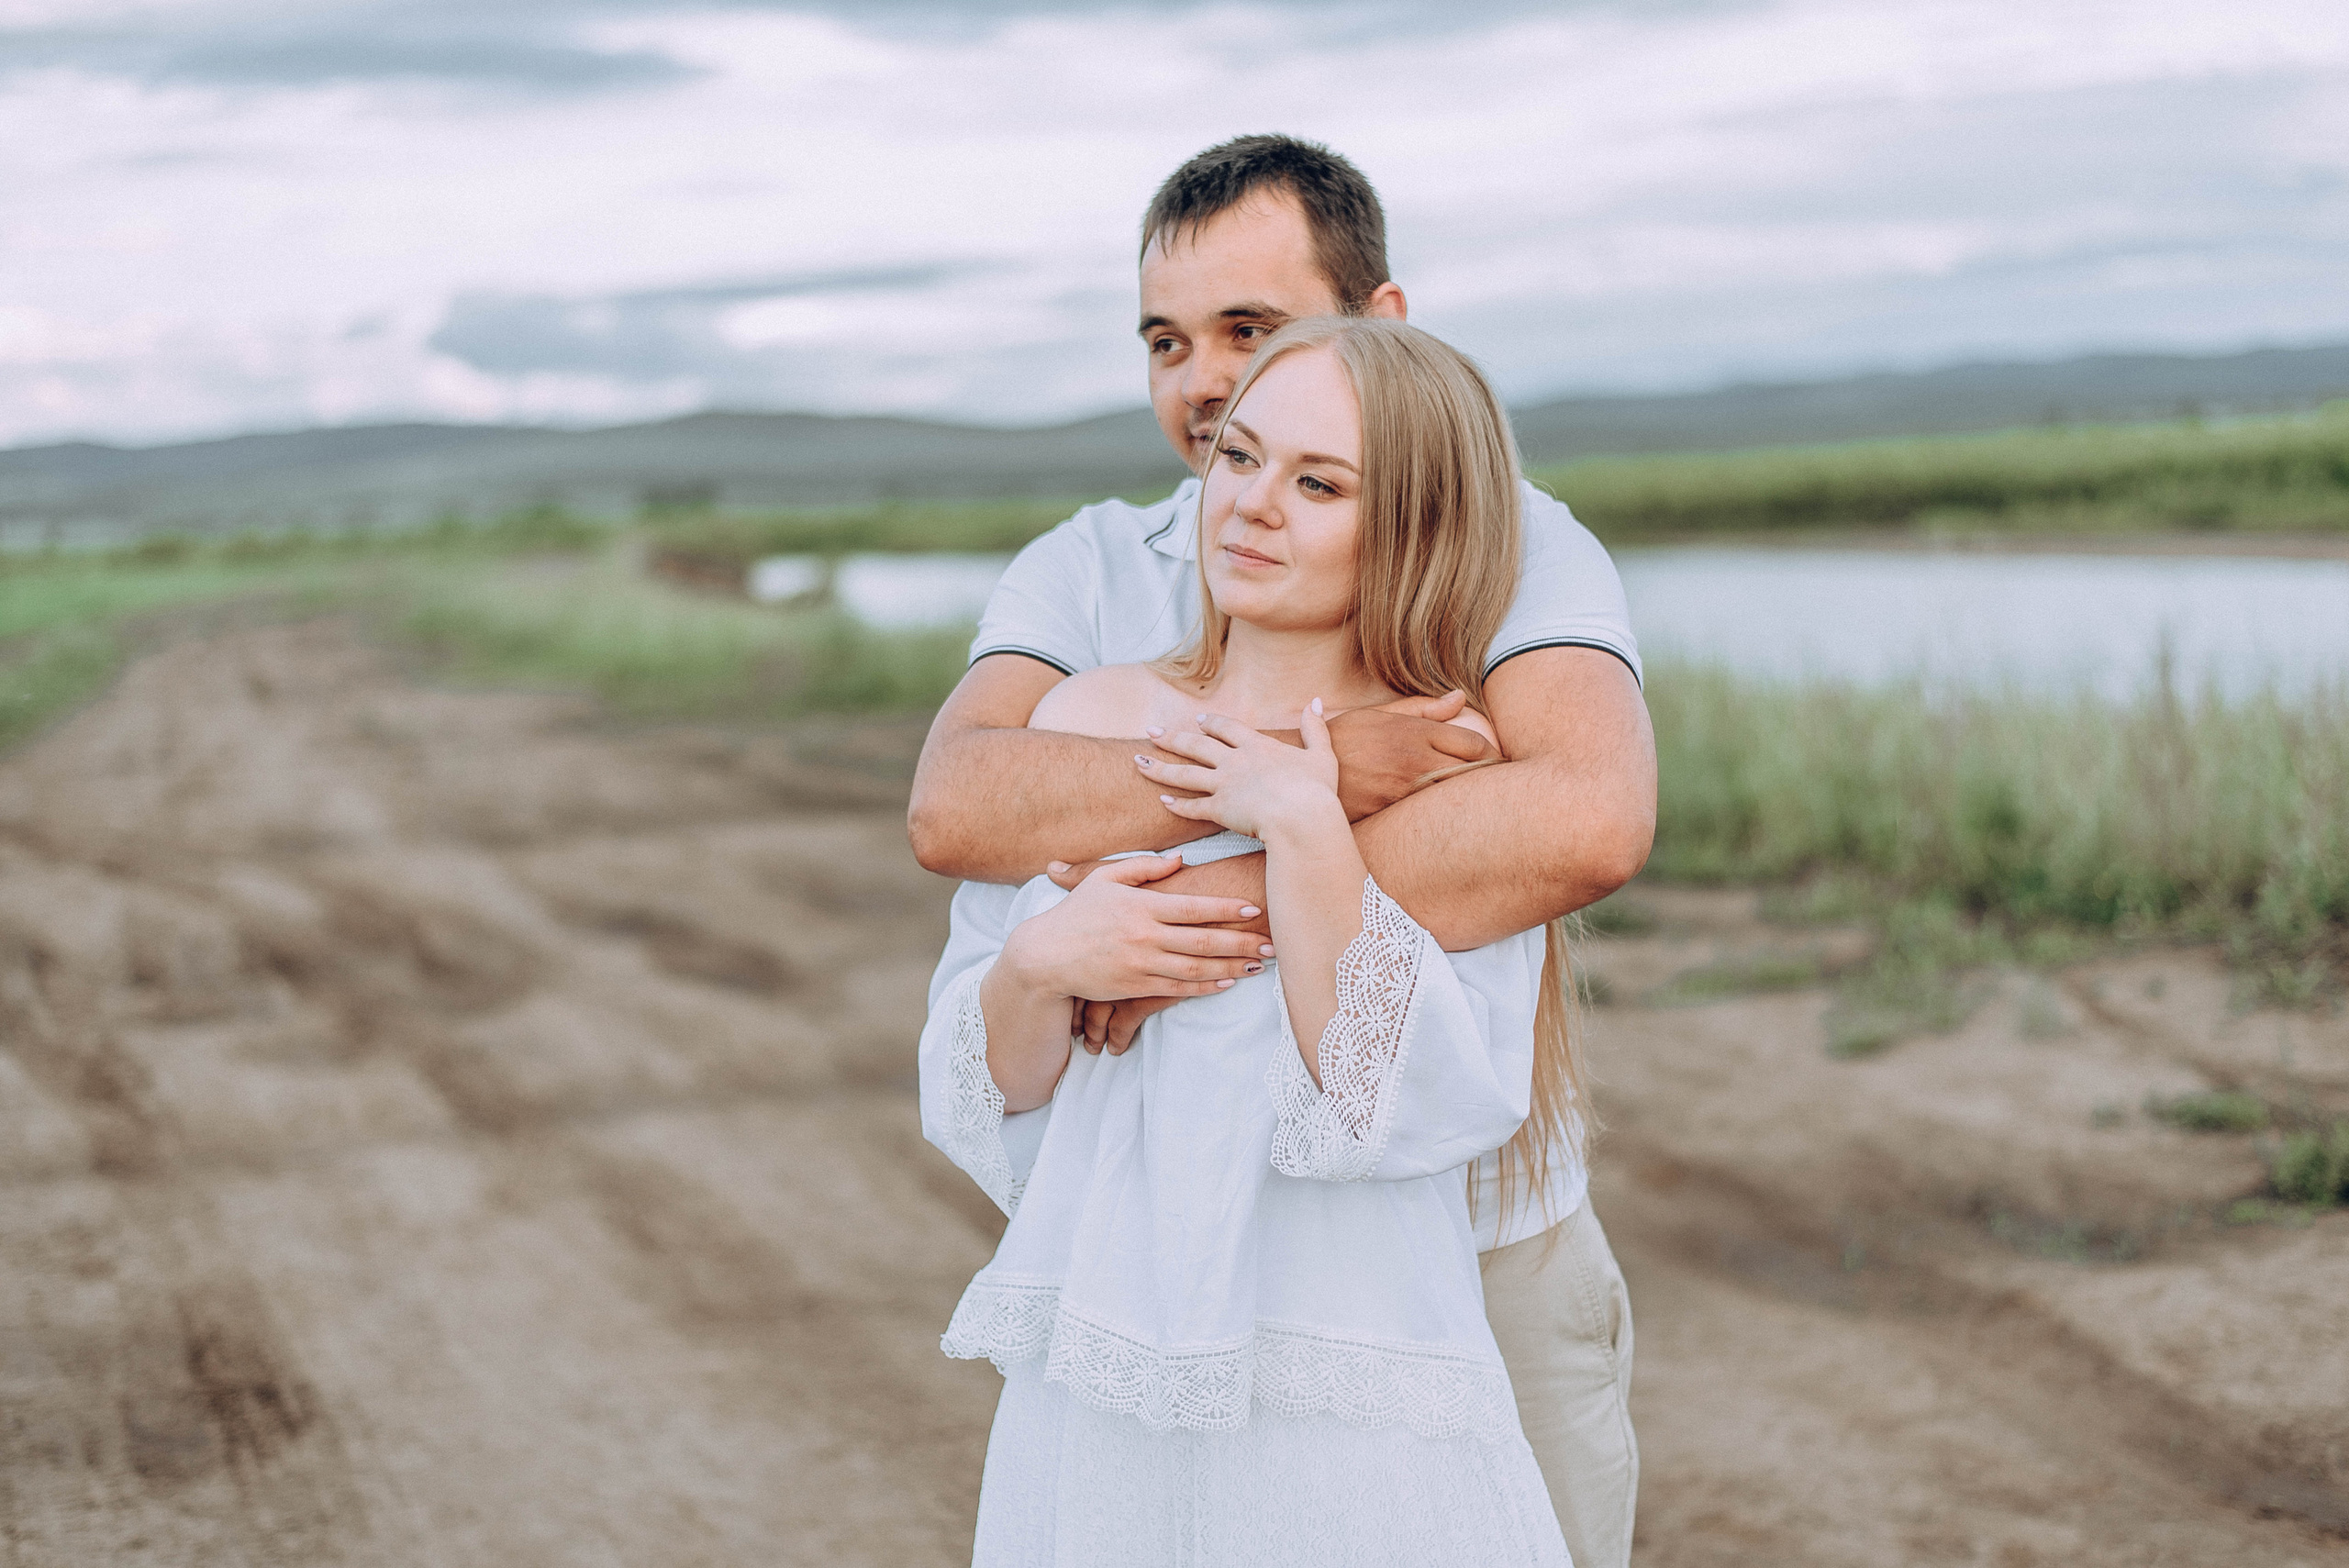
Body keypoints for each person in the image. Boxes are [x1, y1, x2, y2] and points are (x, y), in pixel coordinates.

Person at [909, 136, 1651, 1567]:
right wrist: (1303, 793)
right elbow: (962, 807)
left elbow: (1583, 818)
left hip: (1458, 1265)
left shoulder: (1508, 546)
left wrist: (1246, 860)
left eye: (1249, 331)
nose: (1202, 386)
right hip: (1156, 1276)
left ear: (1379, 326)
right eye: (1167, 341)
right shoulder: (1093, 569)